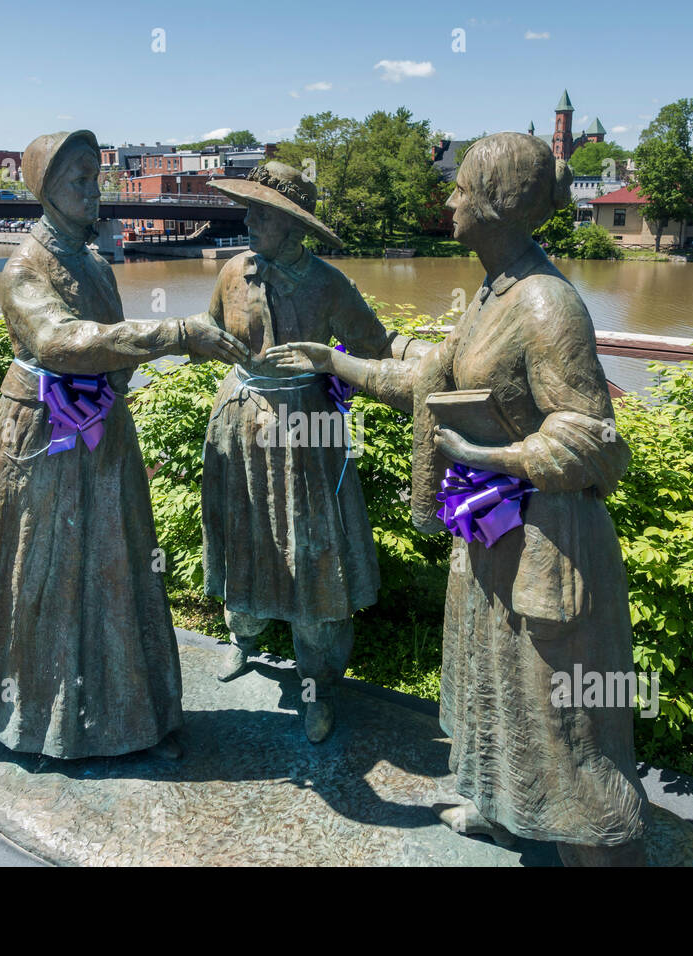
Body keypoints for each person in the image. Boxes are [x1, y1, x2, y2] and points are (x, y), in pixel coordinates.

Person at [267, 132, 648, 864]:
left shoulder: (545, 304)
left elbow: (594, 437)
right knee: (494, 684)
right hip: (493, 529)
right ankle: (507, 808)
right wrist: (333, 362)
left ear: (496, 203)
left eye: (460, 189)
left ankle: (593, 850)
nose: (448, 200)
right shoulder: (492, 291)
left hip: (545, 537)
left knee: (554, 709)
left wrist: (489, 455)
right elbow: (425, 380)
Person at [0, 130, 248, 760]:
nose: (95, 191)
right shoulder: (23, 270)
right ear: (44, 189)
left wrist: (139, 364)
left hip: (103, 429)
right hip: (44, 435)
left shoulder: (91, 261)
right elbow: (59, 343)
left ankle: (125, 719)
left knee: (114, 565)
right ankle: (36, 721)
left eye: (97, 177)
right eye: (78, 180)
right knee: (46, 570)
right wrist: (175, 333)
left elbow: (110, 347)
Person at [198, 162, 426, 743]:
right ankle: (242, 639)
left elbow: (376, 345)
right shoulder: (232, 272)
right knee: (244, 538)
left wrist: (435, 360)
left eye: (260, 214)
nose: (247, 221)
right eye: (248, 210)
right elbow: (206, 330)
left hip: (306, 438)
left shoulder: (328, 285)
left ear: (292, 226)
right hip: (242, 426)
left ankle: (318, 682)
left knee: (312, 556)